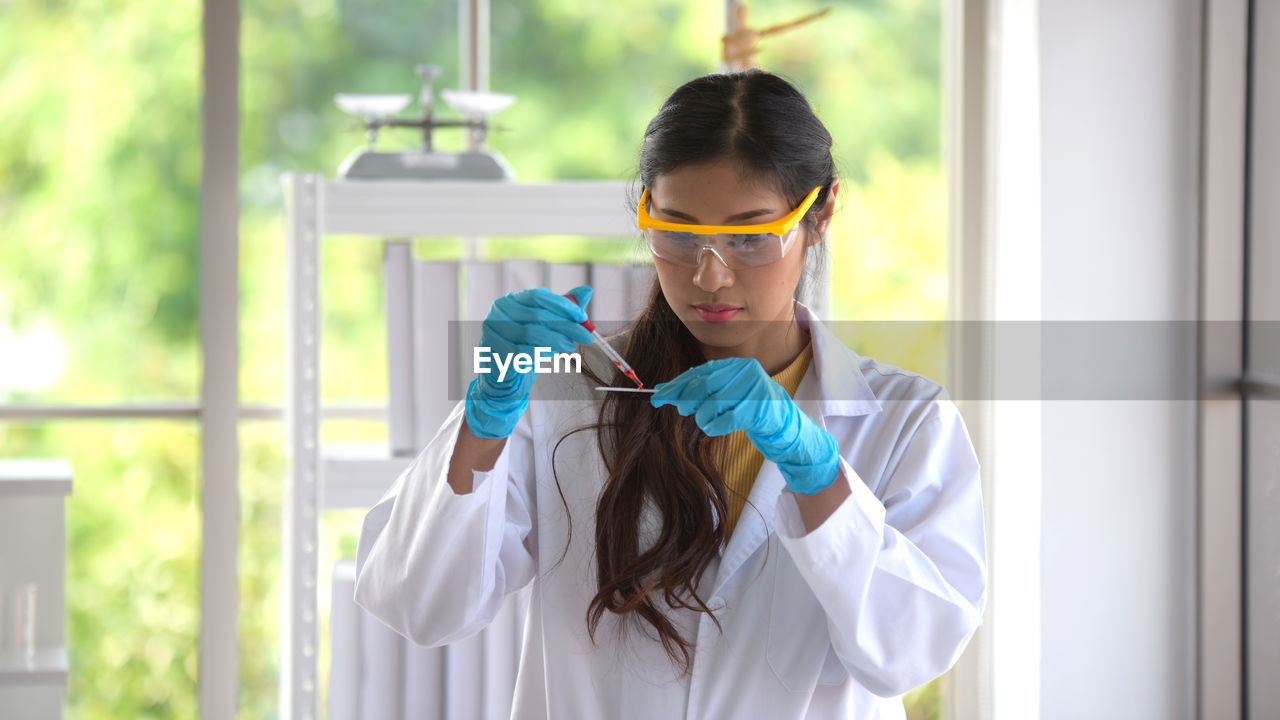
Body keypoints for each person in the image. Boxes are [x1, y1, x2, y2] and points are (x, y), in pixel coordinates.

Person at [354, 70, 986, 720]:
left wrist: (819, 476)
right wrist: (484, 419)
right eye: (678, 232)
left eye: (749, 237)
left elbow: (910, 654)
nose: (710, 275)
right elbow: (419, 605)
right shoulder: (565, 397)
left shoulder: (906, 421)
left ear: (819, 216)